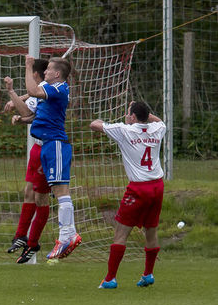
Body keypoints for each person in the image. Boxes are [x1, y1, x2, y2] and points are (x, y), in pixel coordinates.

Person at [90, 101, 165, 289]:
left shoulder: (124, 130)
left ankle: (109, 279)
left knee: (121, 232)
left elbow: (94, 125)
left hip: (138, 189)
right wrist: (144, 114)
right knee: (151, 230)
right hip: (157, 187)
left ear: (132, 117)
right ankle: (148, 274)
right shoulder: (158, 128)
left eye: (128, 113)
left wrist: (107, 121)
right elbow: (159, 120)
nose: (126, 116)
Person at [23, 55, 82, 260]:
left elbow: (33, 90)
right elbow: (32, 99)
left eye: (48, 69)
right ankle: (68, 234)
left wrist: (29, 66)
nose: (45, 72)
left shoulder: (57, 88)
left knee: (61, 191)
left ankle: (67, 235)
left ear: (57, 74)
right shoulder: (54, 89)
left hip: (55, 144)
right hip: (49, 144)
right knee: (59, 192)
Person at [2, 59, 52, 264]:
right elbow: (31, 115)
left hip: (49, 147)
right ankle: (21, 236)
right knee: (28, 192)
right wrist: (22, 118)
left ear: (36, 75)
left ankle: (33, 242)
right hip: (37, 148)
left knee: (42, 198)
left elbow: (28, 111)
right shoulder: (41, 91)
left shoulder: (50, 89)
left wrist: (12, 93)